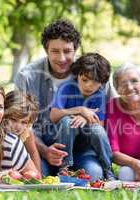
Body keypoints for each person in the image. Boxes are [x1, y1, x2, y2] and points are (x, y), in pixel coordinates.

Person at [14, 19, 115, 179]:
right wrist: (45, 152)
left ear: (75, 49)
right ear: (46, 50)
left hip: (83, 146)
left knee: (94, 175)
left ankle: (99, 169)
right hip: (42, 145)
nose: (61, 58)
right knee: (41, 176)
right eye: (55, 51)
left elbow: (110, 114)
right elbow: (22, 124)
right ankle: (62, 169)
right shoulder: (28, 76)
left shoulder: (92, 72)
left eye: (67, 51)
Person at [50, 53, 115, 180]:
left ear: (102, 83)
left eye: (95, 82)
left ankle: (108, 168)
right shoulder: (66, 88)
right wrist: (80, 110)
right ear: (77, 75)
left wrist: (85, 118)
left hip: (85, 148)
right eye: (85, 80)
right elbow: (53, 116)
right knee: (66, 122)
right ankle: (64, 167)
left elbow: (99, 126)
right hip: (64, 141)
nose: (89, 85)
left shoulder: (99, 94)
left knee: (95, 174)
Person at [3, 90, 42, 173]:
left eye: (23, 122)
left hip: (23, 161)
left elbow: (33, 152)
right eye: (13, 119)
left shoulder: (26, 129)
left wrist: (39, 178)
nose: (18, 126)